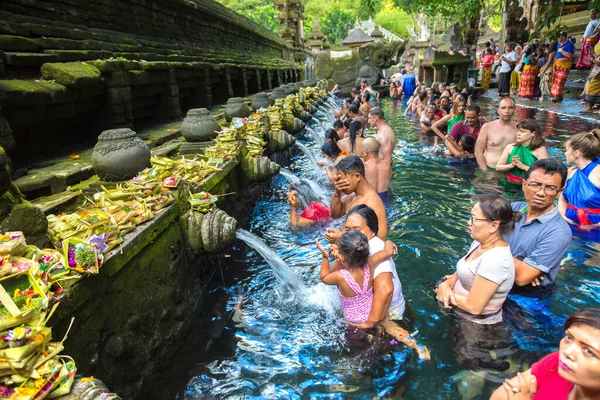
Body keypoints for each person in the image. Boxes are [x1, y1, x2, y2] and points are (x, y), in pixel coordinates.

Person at [434, 194, 518, 324]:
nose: (469, 222)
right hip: (457, 310)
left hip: (475, 325)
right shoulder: (480, 242)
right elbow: (461, 272)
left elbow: (474, 307)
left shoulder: (495, 260)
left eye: (474, 219)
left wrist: (442, 292)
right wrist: (445, 285)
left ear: (494, 226)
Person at [490, 308, 600, 400]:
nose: (567, 352)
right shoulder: (557, 363)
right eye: (569, 337)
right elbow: (499, 396)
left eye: (589, 351)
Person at [505, 159, 572, 296]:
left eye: (550, 188)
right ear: (524, 185)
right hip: (496, 281)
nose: (541, 193)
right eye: (535, 185)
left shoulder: (559, 232)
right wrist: (522, 265)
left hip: (527, 296)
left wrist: (488, 247)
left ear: (559, 192)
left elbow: (521, 278)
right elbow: (478, 240)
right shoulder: (512, 208)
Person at [316, 230, 393, 324]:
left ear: (345, 257)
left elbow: (323, 277)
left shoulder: (341, 276)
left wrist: (325, 257)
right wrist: (388, 241)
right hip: (371, 315)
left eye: (339, 251)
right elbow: (388, 251)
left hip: (354, 323)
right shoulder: (370, 262)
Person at [329, 156, 388, 240]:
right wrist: (337, 193)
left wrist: (340, 239)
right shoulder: (350, 196)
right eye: (338, 180)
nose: (340, 184)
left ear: (357, 177)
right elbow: (335, 215)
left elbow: (380, 241)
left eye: (342, 180)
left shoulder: (372, 203)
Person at [559, 130, 600, 226]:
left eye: (567, 150)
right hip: (570, 224)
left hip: (595, 230)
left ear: (576, 153)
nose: (565, 153)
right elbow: (562, 199)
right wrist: (562, 215)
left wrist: (595, 226)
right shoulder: (570, 172)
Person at [496, 119, 549, 183]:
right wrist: (511, 165)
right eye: (518, 131)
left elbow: (544, 172)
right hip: (509, 182)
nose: (518, 134)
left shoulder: (540, 150)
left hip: (530, 185)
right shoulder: (510, 147)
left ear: (533, 133)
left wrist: (523, 166)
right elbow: (498, 167)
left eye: (522, 131)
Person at [475, 97, 518, 171]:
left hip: (511, 171)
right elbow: (478, 151)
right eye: (503, 108)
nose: (507, 111)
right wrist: (485, 171)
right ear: (498, 110)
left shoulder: (519, 128)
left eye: (510, 108)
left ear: (514, 110)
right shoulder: (487, 127)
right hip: (490, 169)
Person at [552, 32, 575, 102]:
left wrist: (562, 51)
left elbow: (570, 56)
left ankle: (556, 96)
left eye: (560, 36)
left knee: (560, 81)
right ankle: (559, 95)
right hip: (557, 64)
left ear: (564, 37)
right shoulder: (559, 44)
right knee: (555, 80)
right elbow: (557, 53)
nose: (558, 38)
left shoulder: (570, 44)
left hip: (565, 66)